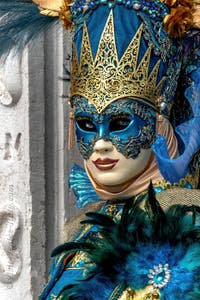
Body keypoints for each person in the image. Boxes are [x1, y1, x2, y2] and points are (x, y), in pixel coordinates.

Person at [0, 0, 200, 298]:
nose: (101, 143)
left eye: (120, 121)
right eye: (86, 123)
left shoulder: (186, 233)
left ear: (159, 122)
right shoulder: (85, 228)